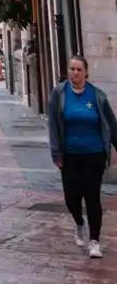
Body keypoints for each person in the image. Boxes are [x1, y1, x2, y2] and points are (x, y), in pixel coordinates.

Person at [47, 54, 117, 259]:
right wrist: (56, 153)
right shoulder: (59, 94)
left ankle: (95, 242)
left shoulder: (98, 96)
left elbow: (111, 126)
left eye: (78, 69)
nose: (74, 73)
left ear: (86, 72)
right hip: (69, 155)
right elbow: (53, 125)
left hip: (93, 154)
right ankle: (79, 222)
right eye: (71, 69)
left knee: (92, 197)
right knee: (71, 198)